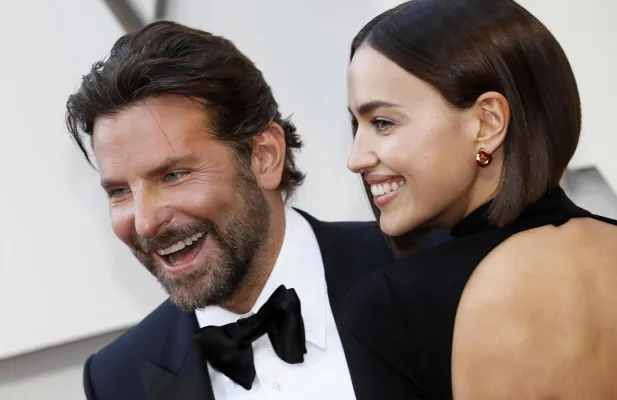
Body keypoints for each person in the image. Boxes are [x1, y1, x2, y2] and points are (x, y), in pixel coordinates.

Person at [65, 21, 447, 400]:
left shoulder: (430, 273)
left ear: (265, 156)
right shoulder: (118, 380)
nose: (146, 222)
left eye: (173, 175)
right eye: (119, 191)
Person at [343, 1, 617, 399]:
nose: (356, 159)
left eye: (383, 122)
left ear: (487, 122)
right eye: (356, 125)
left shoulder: (394, 309)